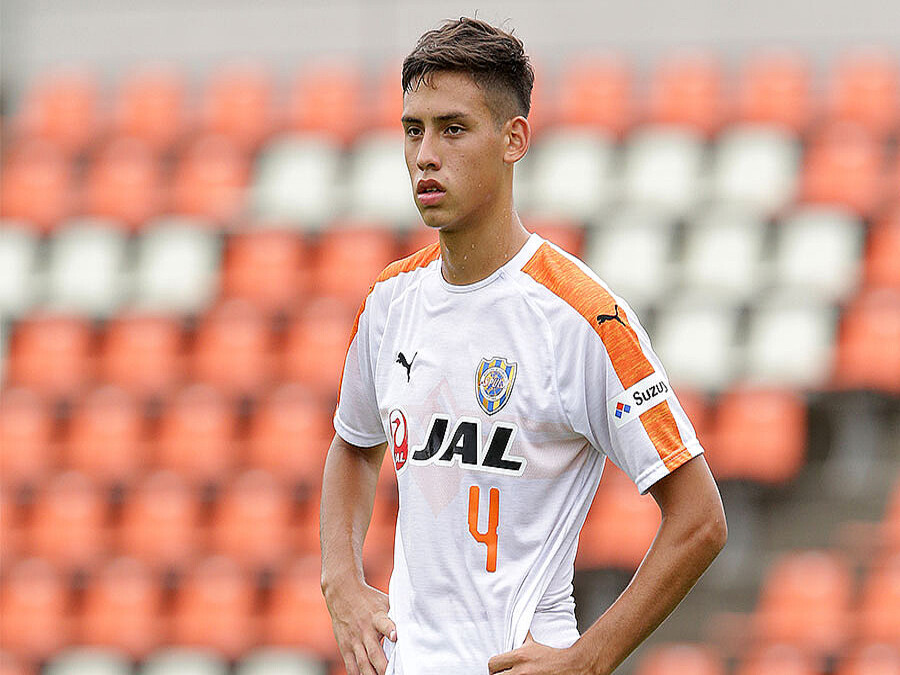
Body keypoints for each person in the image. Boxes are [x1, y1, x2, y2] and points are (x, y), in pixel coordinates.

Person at [320, 16, 727, 675]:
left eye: (453, 129)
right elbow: (353, 444)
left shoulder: (581, 316)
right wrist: (340, 579)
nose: (426, 155)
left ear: (514, 139)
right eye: (413, 130)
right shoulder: (389, 302)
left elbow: (700, 519)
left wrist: (590, 658)